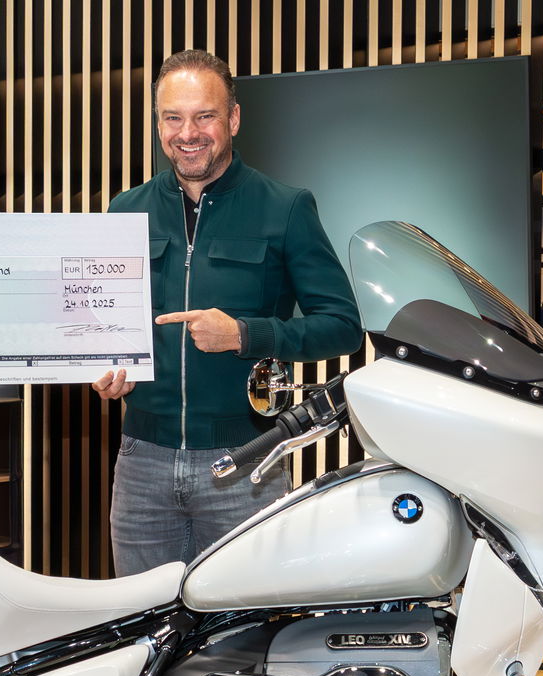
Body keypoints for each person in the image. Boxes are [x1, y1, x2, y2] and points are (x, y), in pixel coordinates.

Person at [93, 50, 362, 576]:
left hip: (245, 465)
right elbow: (104, 323)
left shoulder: (285, 207)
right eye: (173, 118)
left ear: (233, 119)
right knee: (142, 620)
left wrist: (244, 334)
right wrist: (105, 368)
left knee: (244, 623)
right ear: (158, 124)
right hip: (141, 465)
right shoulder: (125, 211)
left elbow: (343, 326)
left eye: (205, 116)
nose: (188, 133)